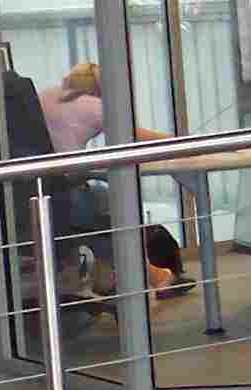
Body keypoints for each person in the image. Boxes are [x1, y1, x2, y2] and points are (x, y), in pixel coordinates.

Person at [38, 62, 177, 296]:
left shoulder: (45, 96)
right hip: (65, 197)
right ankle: (148, 275)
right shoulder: (94, 106)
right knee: (115, 207)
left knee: (99, 208)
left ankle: (108, 276)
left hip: (36, 194)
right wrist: (181, 139)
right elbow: (136, 137)